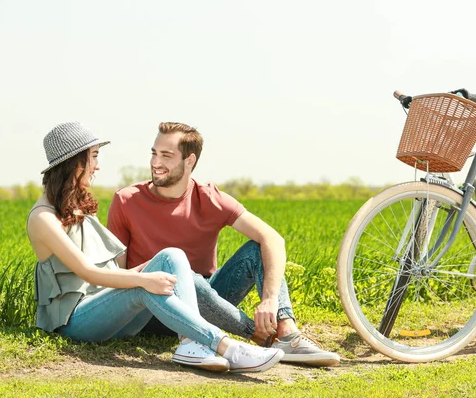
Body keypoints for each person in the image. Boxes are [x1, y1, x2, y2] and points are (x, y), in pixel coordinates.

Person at [27, 121, 284, 374]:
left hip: (105, 303)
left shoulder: (74, 207)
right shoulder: (43, 218)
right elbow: (88, 273)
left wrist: (154, 268)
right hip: (76, 319)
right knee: (144, 285)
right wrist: (144, 278)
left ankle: (191, 343)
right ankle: (226, 346)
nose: (97, 165)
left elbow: (108, 270)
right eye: (93, 157)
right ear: (74, 162)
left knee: (171, 256)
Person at [107, 122, 340, 367]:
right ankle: (256, 333)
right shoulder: (126, 200)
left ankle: (287, 333)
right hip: (154, 308)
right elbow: (119, 276)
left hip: (209, 302)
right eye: (154, 153)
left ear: (189, 161)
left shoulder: (209, 198)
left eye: (166, 155)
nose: (155, 162)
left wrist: (270, 300)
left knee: (256, 249)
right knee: (180, 274)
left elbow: (273, 239)